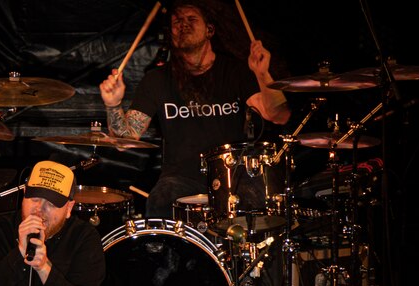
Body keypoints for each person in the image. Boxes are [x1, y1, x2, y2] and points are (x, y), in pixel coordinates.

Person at [99, 0, 292, 220]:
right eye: (177, 21)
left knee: (259, 202)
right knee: (160, 200)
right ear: (170, 32)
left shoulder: (234, 72)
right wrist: (113, 104)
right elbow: (126, 139)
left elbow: (278, 115)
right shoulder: (156, 80)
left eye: (192, 19)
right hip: (179, 179)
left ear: (209, 29)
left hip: (233, 175)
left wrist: (262, 74)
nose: (183, 25)